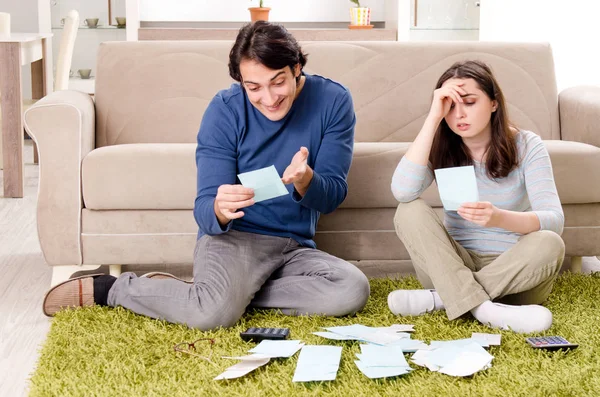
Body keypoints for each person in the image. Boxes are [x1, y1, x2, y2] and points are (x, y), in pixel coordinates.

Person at [43, 21, 370, 330]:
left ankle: (218, 294)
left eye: (278, 82)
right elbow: (204, 211)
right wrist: (219, 208)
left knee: (351, 289)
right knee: (213, 315)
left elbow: (332, 197)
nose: (268, 99)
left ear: (297, 68)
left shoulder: (333, 101)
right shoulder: (225, 109)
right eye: (253, 87)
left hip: (294, 246)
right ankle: (112, 290)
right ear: (241, 81)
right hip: (234, 240)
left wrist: (306, 179)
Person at [388, 60, 565, 333]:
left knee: (550, 242)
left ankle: (442, 299)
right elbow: (402, 191)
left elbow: (554, 220)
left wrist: (499, 218)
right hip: (452, 264)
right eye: (450, 106)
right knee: (408, 210)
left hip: (515, 273)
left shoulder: (528, 145)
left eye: (469, 102)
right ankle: (484, 308)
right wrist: (433, 119)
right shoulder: (441, 147)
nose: (459, 114)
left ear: (494, 103)